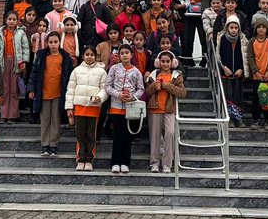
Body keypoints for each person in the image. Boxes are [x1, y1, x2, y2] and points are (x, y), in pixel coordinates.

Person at [29, 31, 74, 156]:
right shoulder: (41, 56)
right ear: (47, 43)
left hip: (58, 94)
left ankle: (53, 145)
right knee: (45, 120)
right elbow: (34, 73)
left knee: (55, 120)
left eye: (55, 42)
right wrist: (31, 89)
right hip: (44, 93)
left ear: (59, 42)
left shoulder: (65, 57)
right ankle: (45, 145)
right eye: (51, 42)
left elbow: (70, 76)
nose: (53, 44)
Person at [65, 45, 107, 171]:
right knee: (80, 135)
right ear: (83, 56)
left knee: (91, 135)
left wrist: (99, 97)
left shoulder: (101, 72)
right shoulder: (76, 71)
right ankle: (80, 159)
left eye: (92, 55)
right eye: (87, 54)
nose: (89, 57)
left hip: (93, 108)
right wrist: (69, 107)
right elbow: (70, 90)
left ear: (95, 56)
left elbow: (104, 89)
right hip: (79, 107)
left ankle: (89, 160)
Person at [105, 44, 145, 173]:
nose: (124, 55)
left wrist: (133, 97)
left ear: (131, 55)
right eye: (122, 53)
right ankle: (115, 162)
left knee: (127, 137)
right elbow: (107, 86)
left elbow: (141, 89)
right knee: (117, 136)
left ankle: (125, 163)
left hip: (130, 108)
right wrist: (118, 94)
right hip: (116, 107)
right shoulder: (114, 69)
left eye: (127, 53)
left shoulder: (136, 71)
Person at [145, 50, 187, 173]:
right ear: (159, 62)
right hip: (154, 109)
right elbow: (146, 92)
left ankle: (167, 164)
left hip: (169, 110)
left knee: (170, 134)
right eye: (163, 61)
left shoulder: (176, 75)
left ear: (172, 62)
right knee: (155, 137)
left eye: (167, 61)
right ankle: (154, 163)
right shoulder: (153, 74)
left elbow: (182, 92)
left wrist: (167, 86)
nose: (165, 64)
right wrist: (154, 87)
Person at [0, 10, 29, 122]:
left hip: (16, 62)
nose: (11, 21)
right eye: (9, 19)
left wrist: (24, 61)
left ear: (17, 21)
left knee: (14, 90)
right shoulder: (0, 33)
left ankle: (13, 115)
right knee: (4, 89)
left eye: (14, 19)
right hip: (3, 62)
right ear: (5, 20)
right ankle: (4, 115)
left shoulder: (21, 33)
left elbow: (25, 48)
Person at [245, 20, 268, 130]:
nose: (261, 29)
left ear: (267, 28)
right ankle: (256, 120)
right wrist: (256, 72)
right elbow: (250, 58)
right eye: (259, 27)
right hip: (257, 76)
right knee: (256, 99)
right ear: (255, 29)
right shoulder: (252, 41)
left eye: (263, 27)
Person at [217, 18, 246, 121]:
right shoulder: (222, 39)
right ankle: (229, 119)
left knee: (238, 96)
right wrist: (224, 67)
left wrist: (241, 68)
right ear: (227, 28)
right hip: (226, 73)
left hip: (238, 73)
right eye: (231, 27)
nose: (234, 30)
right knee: (227, 96)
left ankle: (238, 119)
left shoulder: (242, 40)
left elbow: (245, 56)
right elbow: (218, 55)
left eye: (236, 28)